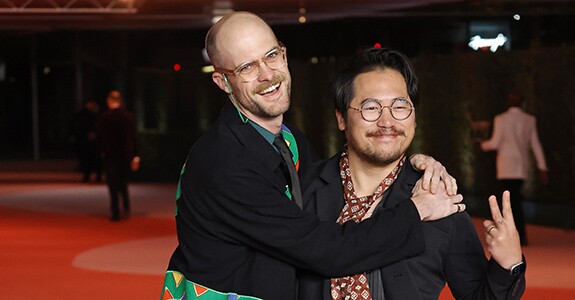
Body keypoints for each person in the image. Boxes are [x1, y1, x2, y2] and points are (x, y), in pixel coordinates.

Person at [161, 12, 464, 300]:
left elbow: (340, 172)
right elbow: (326, 250)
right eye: (247, 68)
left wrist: (412, 161)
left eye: (271, 56)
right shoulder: (224, 164)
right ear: (223, 82)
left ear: (284, 55)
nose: (268, 74)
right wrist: (417, 209)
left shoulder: (288, 141)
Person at [298, 48, 526, 300]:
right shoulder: (302, 189)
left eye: (400, 106)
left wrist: (508, 264)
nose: (387, 121)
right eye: (371, 107)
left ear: (414, 118)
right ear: (341, 118)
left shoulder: (440, 198)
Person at [481, 91, 548, 246]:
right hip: (520, 167)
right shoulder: (529, 119)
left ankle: (512, 237)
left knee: (508, 202)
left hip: (505, 167)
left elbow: (495, 143)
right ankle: (520, 236)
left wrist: (483, 144)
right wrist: (542, 167)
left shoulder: (501, 119)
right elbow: (535, 144)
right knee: (515, 201)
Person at [99, 90, 140, 221]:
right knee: (123, 182)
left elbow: (102, 139)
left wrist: (101, 153)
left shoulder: (105, 117)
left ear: (109, 101)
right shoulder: (128, 116)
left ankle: (115, 212)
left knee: (112, 185)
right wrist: (135, 156)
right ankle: (126, 206)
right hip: (125, 155)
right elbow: (133, 137)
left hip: (111, 155)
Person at [72, 99, 102, 182]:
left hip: (89, 140)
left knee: (90, 158)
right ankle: (91, 175)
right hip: (87, 140)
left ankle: (90, 175)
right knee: (90, 158)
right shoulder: (88, 114)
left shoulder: (92, 114)